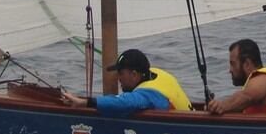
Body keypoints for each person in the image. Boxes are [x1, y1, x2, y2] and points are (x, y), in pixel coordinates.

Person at [59, 48, 193, 114]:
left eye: (121, 73)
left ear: (135, 74)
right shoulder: (157, 73)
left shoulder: (148, 93)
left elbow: (124, 103)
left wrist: (85, 102)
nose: (118, 78)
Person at [206, 39, 266, 116]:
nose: (230, 70)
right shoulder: (256, 80)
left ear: (247, 64)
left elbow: (246, 96)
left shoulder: (263, 79)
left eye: (233, 64)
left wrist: (221, 106)